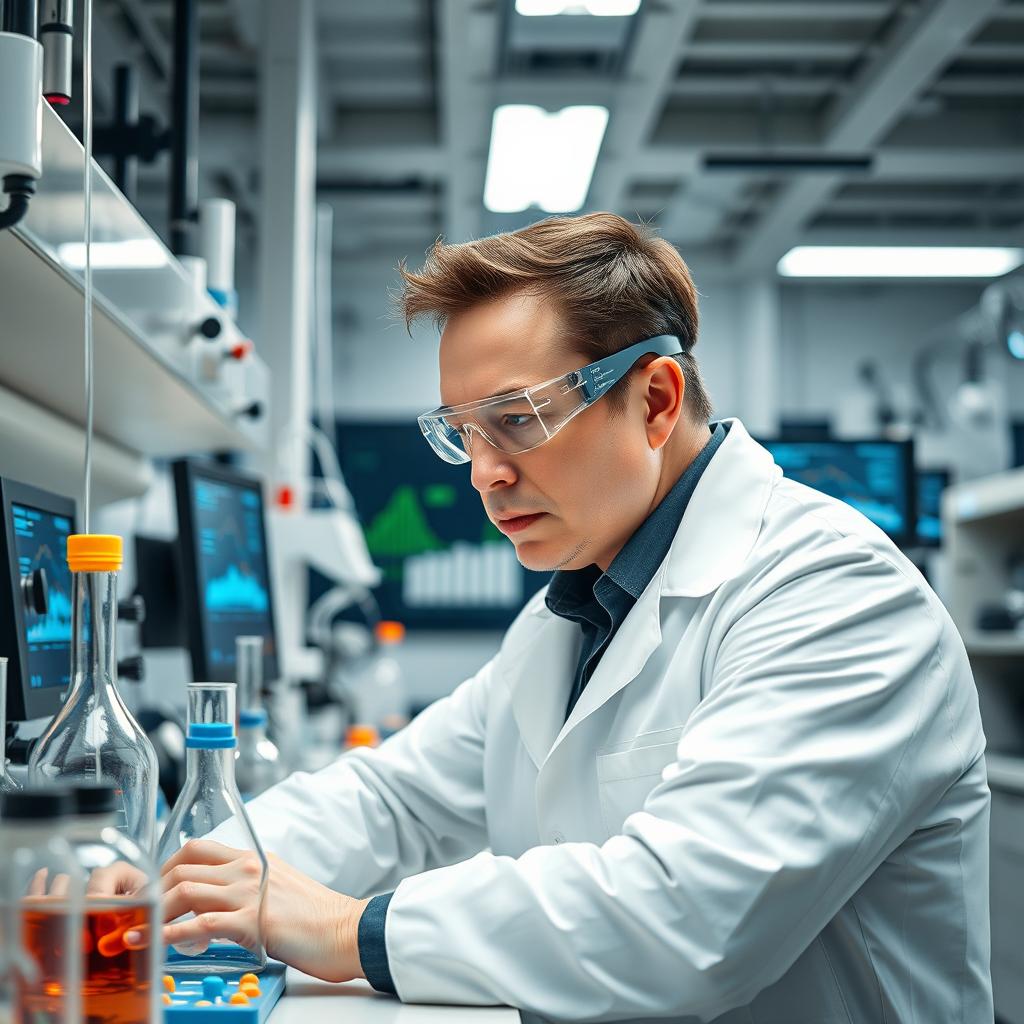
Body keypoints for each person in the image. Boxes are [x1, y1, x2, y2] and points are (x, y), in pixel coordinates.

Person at [159, 213, 992, 1023]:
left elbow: (690, 917)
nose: (484, 474)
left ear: (657, 401)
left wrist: (352, 929)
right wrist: (178, 873)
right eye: (463, 434)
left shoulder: (833, 593)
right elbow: (395, 799)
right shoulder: (573, 616)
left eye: (516, 420)